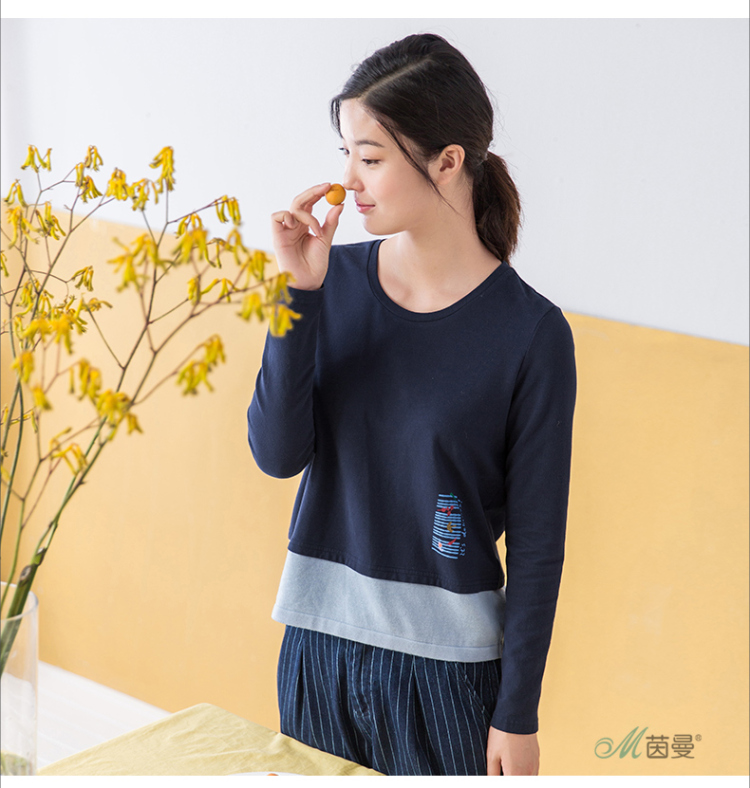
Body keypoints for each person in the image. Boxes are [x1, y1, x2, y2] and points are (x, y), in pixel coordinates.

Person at [247, 32, 576, 777]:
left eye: (370, 158)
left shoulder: (531, 335)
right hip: (316, 650)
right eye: (345, 155)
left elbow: (537, 545)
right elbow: (276, 455)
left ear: (448, 161)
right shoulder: (329, 282)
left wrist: (517, 713)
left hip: (448, 677)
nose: (346, 183)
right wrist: (295, 296)